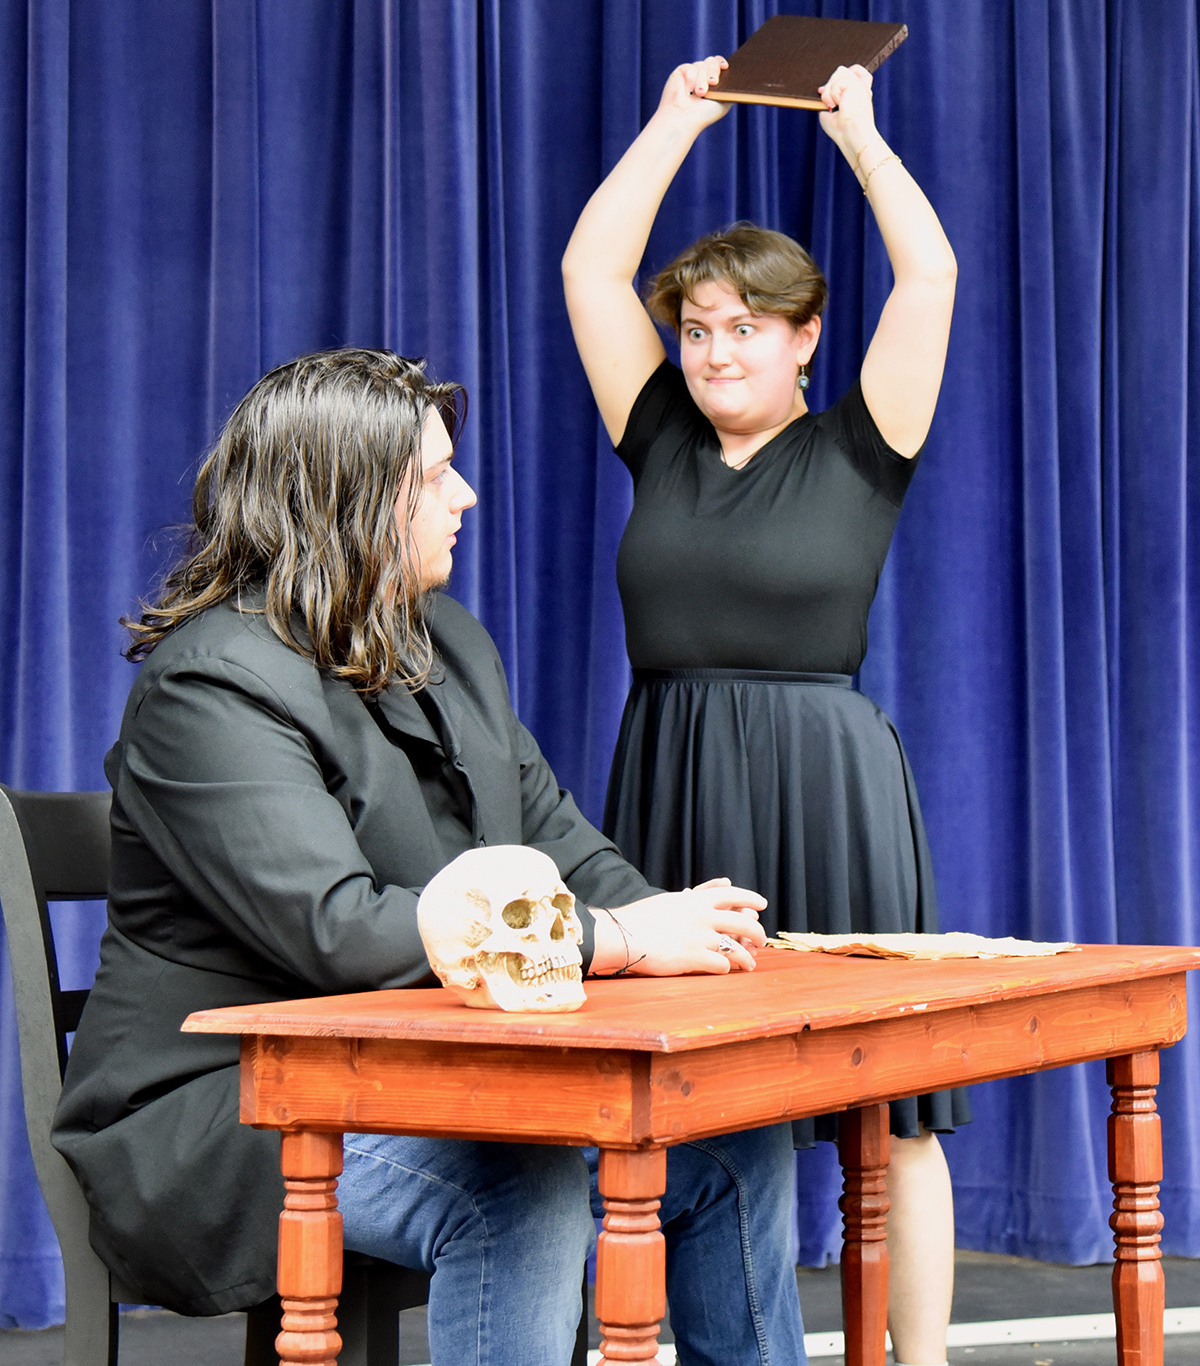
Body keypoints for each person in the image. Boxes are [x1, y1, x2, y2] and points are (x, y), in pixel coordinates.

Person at [51, 349, 807, 1366]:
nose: (467, 494)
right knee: (513, 1184)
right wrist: (620, 942)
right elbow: (339, 930)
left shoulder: (446, 642)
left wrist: (697, 936)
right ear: (350, 502)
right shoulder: (210, 688)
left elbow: (559, 840)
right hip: (223, 1111)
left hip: (406, 1074)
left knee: (730, 1139)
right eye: (433, 476)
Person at [562, 59, 962, 1366]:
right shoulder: (659, 430)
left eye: (748, 327)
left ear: (805, 340)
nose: (716, 350)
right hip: (674, 773)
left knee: (887, 1112)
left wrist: (854, 134)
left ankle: (919, 1358)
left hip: (828, 785)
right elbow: (587, 270)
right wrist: (679, 117)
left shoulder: (864, 445)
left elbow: (934, 278)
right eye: (699, 327)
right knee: (682, 1096)